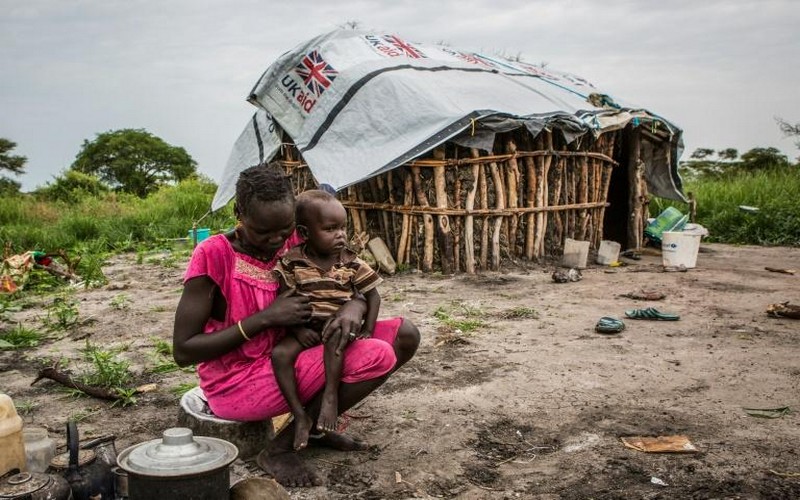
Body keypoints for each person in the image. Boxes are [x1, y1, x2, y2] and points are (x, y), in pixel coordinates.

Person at [172, 162, 420, 488]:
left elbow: (352, 280)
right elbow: (183, 350)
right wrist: (264, 319)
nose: (276, 241)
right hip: (239, 381)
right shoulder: (214, 255)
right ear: (239, 213)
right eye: (263, 232)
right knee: (375, 354)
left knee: (405, 335)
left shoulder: (296, 242)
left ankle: (315, 429)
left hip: (302, 351)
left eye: (284, 229)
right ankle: (278, 450)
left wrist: (353, 306)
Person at [271, 190, 383, 452]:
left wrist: (368, 328)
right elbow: (283, 300)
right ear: (305, 232)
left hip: (336, 325)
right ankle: (299, 414)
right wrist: (297, 331)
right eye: (331, 229)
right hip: (306, 327)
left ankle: (330, 397)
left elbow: (373, 295)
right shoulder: (292, 262)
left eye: (343, 228)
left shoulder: (351, 262)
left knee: (336, 340)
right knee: (279, 354)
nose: (340, 235)